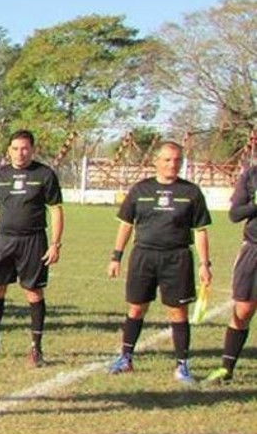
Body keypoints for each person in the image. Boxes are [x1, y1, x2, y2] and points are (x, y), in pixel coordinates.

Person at [107, 141, 212, 384]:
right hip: (143, 256)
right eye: (167, 160)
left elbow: (200, 231)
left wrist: (205, 264)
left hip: (177, 258)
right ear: (156, 162)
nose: (172, 164)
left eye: (177, 160)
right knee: (136, 307)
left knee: (177, 311)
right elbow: (126, 225)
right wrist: (116, 256)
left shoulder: (191, 192)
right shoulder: (140, 190)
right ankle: (125, 358)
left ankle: (182, 366)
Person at [0, 130, 64, 367]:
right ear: (8, 151)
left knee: (33, 292)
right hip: (3, 239)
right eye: (15, 149)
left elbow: (56, 210)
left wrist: (55, 243)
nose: (20, 153)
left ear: (32, 150)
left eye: (24, 148)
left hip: (33, 240)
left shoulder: (44, 175)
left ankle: (36, 348)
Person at [209, 158, 257, 383]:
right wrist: (255, 205)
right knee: (243, 310)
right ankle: (226, 369)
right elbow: (235, 214)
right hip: (254, 250)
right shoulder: (251, 175)